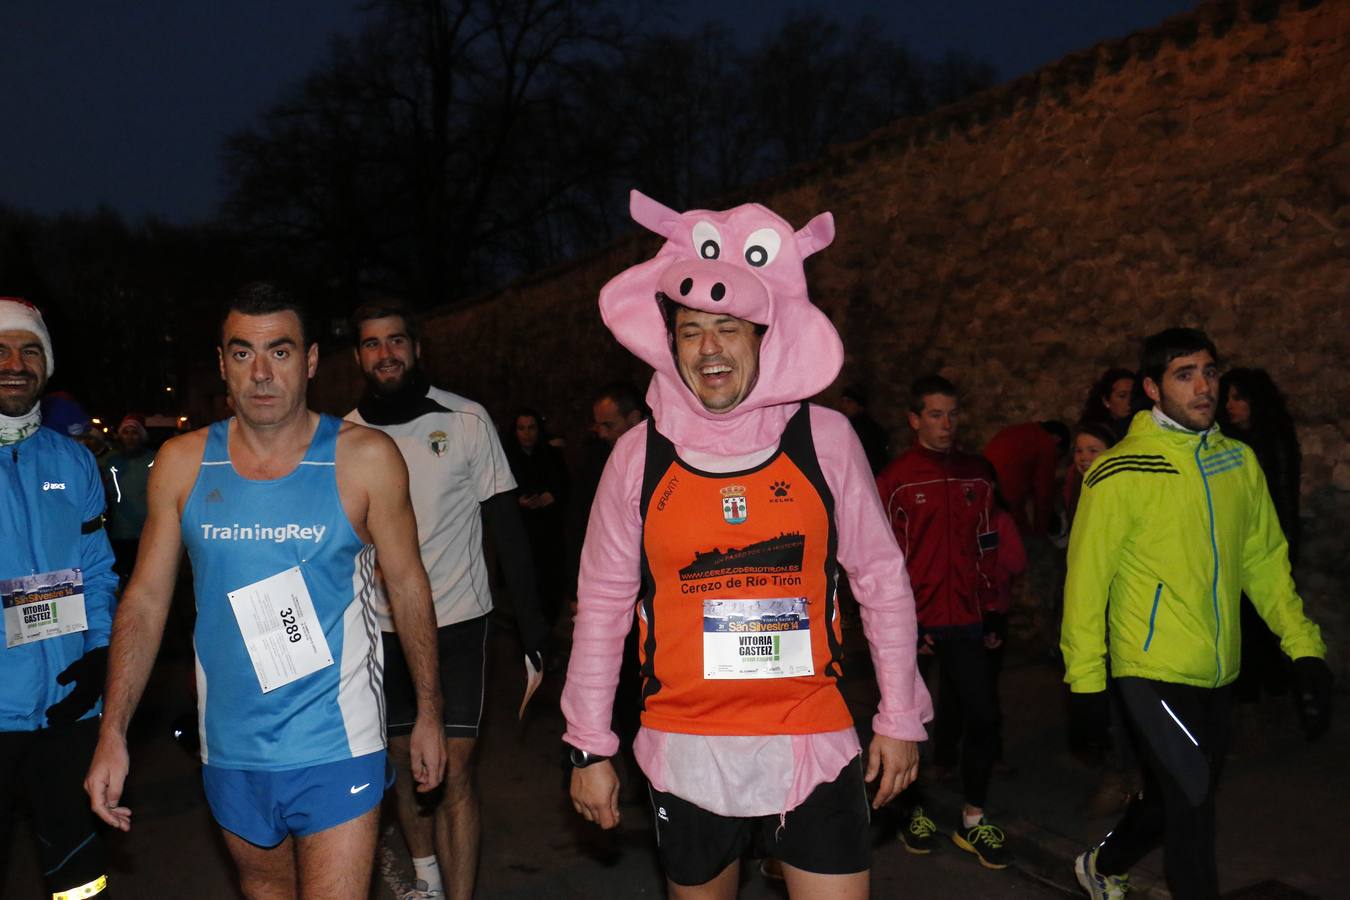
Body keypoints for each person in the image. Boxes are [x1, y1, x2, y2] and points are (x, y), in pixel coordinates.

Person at [563, 191, 931, 900]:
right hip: (683, 745)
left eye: (728, 327)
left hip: (811, 738)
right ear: (668, 342)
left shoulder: (825, 439)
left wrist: (900, 714)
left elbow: (881, 579)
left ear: (765, 335)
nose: (709, 348)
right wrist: (588, 744)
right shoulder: (638, 456)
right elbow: (604, 605)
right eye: (692, 329)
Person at [85, 283, 447, 900]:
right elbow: (146, 600)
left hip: (339, 741)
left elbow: (410, 587)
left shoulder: (365, 458)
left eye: (279, 353)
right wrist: (112, 730)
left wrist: (431, 713)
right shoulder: (183, 461)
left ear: (308, 362)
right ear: (221, 363)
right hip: (230, 745)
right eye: (242, 353)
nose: (260, 373)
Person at [1062, 328, 1331, 900]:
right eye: (1186, 375)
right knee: (1193, 802)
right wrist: (1084, 683)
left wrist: (1303, 647)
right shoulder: (1119, 472)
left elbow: (1262, 562)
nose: (1204, 386)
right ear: (1153, 390)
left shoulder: (1238, 461)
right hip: (1150, 668)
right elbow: (1086, 585)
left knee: (1173, 794)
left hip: (1217, 668)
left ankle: (1103, 863)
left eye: (1209, 371)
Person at [346, 298, 549, 900]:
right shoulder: (345, 434)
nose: (386, 353)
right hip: (380, 629)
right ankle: (427, 880)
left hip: (459, 622)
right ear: (359, 356)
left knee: (455, 770)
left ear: (416, 347)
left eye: (396, 340)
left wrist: (534, 627)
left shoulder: (466, 419)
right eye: (372, 343)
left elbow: (506, 526)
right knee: (409, 769)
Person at [0, 297, 118, 899]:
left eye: (29, 350)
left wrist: (101, 654)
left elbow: (97, 570)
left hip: (68, 707)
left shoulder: (73, 461)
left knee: (80, 880)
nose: (14, 363)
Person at [876, 375, 1012, 869]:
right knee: (909, 724)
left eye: (952, 414)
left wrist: (993, 607)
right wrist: (904, 623)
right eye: (935, 414)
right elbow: (881, 560)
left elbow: (987, 543)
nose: (946, 424)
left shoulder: (977, 472)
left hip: (968, 619)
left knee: (983, 717)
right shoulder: (894, 480)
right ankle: (912, 811)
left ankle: (974, 820)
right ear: (914, 419)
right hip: (913, 624)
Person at [1218, 368, 1302, 703]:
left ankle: (1271, 682)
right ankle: (1253, 682)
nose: (1230, 406)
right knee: (1242, 618)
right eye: (1227, 398)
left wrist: (1281, 548)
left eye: (1238, 398)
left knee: (1264, 616)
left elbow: (1282, 500)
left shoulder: (1273, 442)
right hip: (1238, 543)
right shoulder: (1230, 445)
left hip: (1266, 543)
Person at [503, 408, 571, 628]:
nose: (527, 434)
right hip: (521, 532)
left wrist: (552, 496)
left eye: (531, 428)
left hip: (549, 531)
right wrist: (518, 502)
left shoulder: (551, 455)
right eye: (522, 428)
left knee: (550, 583)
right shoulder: (507, 459)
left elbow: (565, 486)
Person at [982, 420, 1069, 535]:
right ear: (1057, 439)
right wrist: (1040, 532)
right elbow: (1043, 493)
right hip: (1003, 497)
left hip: (983, 489)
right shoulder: (1046, 443)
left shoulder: (1017, 431)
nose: (1055, 463)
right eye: (1058, 456)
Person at [101, 412, 155, 585]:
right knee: (124, 581)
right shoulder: (110, 461)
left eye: (135, 432)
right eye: (126, 432)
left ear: (142, 436)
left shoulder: (155, 459)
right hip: (119, 533)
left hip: (149, 533)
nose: (130, 437)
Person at [838, 383, 889, 475]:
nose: (844, 406)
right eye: (843, 401)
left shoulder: (868, 430)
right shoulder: (844, 426)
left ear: (860, 406)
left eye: (849, 402)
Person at [1079, 368, 1139, 444]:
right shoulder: (1096, 432)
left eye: (1134, 395)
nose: (1130, 401)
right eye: (1122, 396)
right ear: (1106, 401)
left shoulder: (1141, 423)